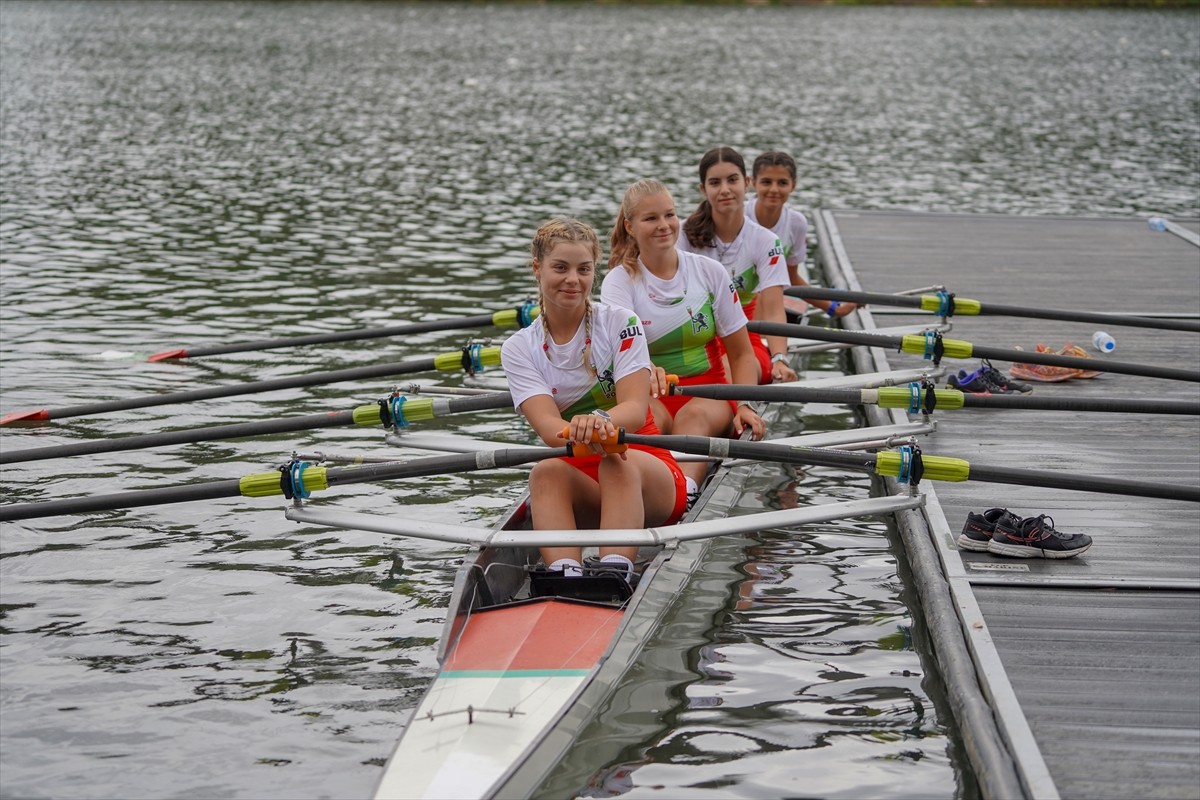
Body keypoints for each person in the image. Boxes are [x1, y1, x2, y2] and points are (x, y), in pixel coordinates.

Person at [501, 217, 688, 583]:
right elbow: (549, 429)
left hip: (647, 468)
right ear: (537, 268)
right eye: (560, 268)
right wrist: (582, 430)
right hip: (580, 474)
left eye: (583, 269)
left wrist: (600, 419)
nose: (573, 279)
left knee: (615, 462)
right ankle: (564, 574)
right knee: (545, 471)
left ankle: (614, 573)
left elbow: (635, 409)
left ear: (594, 273)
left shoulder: (621, 322)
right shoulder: (518, 348)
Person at [602, 179, 765, 508]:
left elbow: (741, 353)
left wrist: (746, 404)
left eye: (670, 215)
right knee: (646, 418)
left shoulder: (709, 272)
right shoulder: (619, 282)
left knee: (691, 418)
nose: (664, 226)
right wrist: (646, 368)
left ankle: (686, 490)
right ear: (630, 226)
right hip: (648, 393)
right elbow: (622, 351)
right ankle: (651, 486)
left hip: (710, 393)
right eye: (651, 219)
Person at [678, 146, 796, 385]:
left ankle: (736, 411)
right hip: (695, 341)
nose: (725, 190)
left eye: (732, 180)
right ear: (703, 189)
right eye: (715, 183)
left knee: (728, 368)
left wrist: (780, 358)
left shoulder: (765, 241)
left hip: (746, 339)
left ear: (747, 183)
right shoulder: (681, 234)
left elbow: (773, 310)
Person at [747, 150, 858, 319]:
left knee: (766, 294)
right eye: (766, 182)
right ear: (754, 183)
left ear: (793, 185)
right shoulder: (737, 216)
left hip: (768, 300)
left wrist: (833, 308)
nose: (774, 189)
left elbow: (791, 278)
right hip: (736, 299)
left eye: (782, 183)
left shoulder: (796, 223)